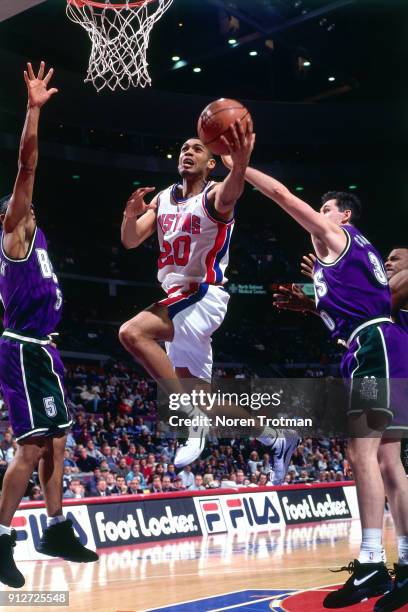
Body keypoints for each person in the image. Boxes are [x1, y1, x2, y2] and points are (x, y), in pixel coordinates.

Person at [222, 156, 408, 611]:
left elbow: (281, 195)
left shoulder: (338, 236)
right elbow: (361, 299)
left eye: (325, 208)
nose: (318, 214)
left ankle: (368, 564)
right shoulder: (350, 258)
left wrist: (238, 165)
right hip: (384, 344)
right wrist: (312, 300)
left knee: (361, 452)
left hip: (373, 346)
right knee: (387, 460)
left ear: (343, 215)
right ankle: (403, 563)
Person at [119, 123, 298, 472]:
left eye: (197, 149)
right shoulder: (163, 198)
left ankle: (191, 420)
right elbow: (130, 240)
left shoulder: (216, 195)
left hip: (202, 294)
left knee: (132, 332)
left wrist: (242, 161)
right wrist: (130, 216)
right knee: (203, 396)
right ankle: (276, 437)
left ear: (211, 162)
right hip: (178, 298)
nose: (188, 152)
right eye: (184, 148)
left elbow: (235, 189)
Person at [0, 62, 98, 589]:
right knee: (33, 446)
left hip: (46, 349)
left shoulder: (39, 242)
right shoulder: (13, 235)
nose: (28, 205)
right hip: (23, 349)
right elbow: (25, 169)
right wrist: (33, 111)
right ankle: (0, 537)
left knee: (59, 441)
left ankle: (56, 527)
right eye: (19, 205)